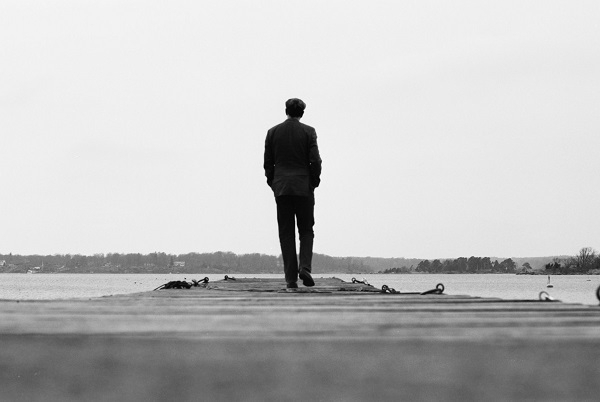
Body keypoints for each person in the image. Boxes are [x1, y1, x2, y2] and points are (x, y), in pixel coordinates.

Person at [264, 98, 322, 289]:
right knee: (306, 230)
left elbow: (268, 163)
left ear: (285, 110)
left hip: (281, 188)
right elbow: (316, 160)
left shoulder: (272, 133)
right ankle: (305, 267)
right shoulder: (308, 131)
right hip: (303, 187)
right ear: (302, 113)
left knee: (286, 232)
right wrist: (314, 181)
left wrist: (273, 183)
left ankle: (290, 278)